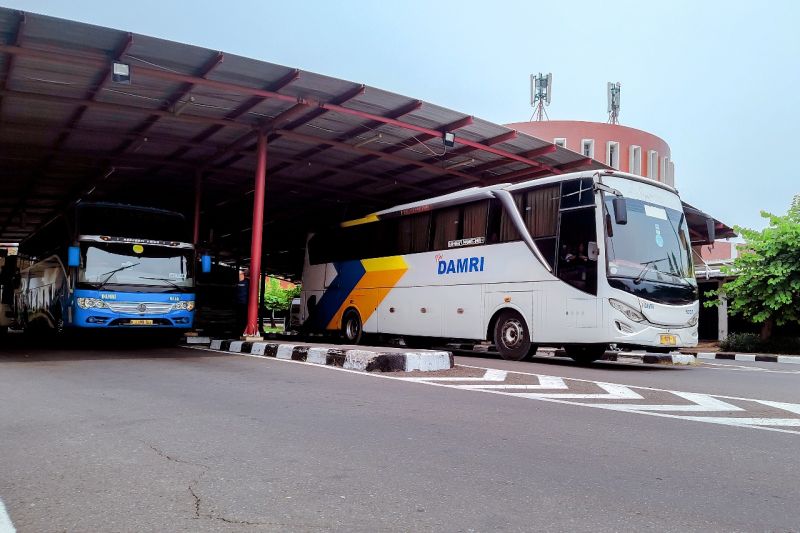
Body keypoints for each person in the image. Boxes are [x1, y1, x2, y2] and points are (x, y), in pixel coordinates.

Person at [235, 269, 249, 334]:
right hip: (246, 304)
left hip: (239, 303)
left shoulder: (239, 284)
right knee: (244, 319)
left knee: (240, 319)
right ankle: (243, 331)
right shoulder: (249, 283)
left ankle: (240, 331)